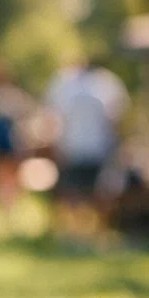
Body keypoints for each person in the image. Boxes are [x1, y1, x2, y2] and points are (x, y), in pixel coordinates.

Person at [45, 56, 130, 243]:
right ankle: (77, 233)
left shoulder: (103, 83)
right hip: (79, 147)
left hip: (89, 147)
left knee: (93, 193)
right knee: (75, 193)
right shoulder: (102, 83)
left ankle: (89, 234)